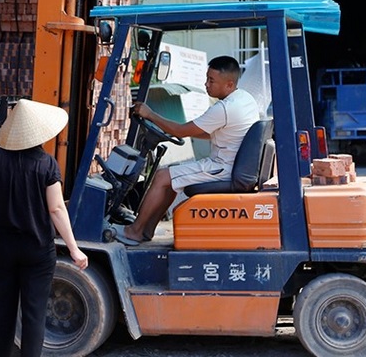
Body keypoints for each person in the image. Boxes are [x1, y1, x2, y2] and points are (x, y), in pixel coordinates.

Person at [0, 99, 89, 357]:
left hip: (1, 249)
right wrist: (74, 248)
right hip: (37, 250)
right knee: (34, 314)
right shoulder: (46, 164)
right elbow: (56, 209)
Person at [111, 55, 260, 246]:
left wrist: (150, 114)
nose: (206, 84)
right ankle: (146, 230)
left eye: (211, 81)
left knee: (162, 176)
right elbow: (210, 133)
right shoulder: (244, 98)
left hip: (223, 168)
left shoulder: (224, 108)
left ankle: (134, 231)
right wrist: (175, 130)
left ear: (229, 84)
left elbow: (180, 131)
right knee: (172, 178)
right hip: (230, 164)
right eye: (207, 79)